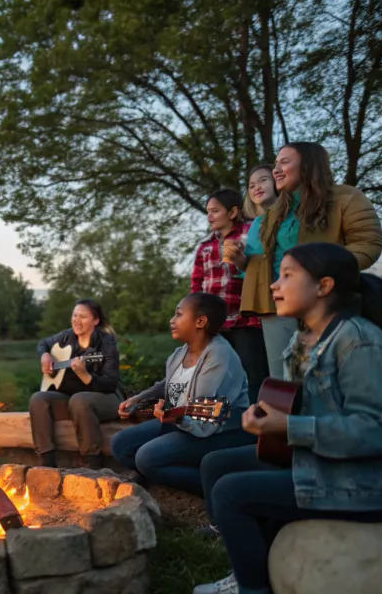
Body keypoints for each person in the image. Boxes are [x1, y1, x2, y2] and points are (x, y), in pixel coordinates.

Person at [194, 243, 382, 594]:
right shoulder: (305, 339)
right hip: (319, 457)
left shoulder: (359, 344)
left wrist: (287, 427)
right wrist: (270, 417)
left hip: (362, 482)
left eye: (287, 275)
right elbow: (302, 402)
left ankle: (252, 588)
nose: (274, 284)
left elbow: (378, 431)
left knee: (230, 493)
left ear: (324, 286)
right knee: (215, 464)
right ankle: (247, 562)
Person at [226, 142, 382, 379]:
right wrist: (240, 260)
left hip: (325, 302)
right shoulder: (273, 213)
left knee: (330, 376)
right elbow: (260, 263)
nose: (276, 169)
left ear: (309, 164)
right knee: (284, 381)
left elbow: (368, 243)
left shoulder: (346, 197)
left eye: (285, 162)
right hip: (277, 305)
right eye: (275, 164)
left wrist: (322, 275)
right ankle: (286, 418)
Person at [109, 293, 255, 496]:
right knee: (120, 444)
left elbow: (204, 418)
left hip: (219, 429)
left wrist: (173, 416)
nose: (171, 320)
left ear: (200, 321)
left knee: (146, 458)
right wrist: (138, 398)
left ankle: (217, 486)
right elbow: (167, 384)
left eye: (178, 314)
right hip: (181, 421)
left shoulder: (219, 356)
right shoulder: (180, 353)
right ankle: (163, 472)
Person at [191, 189, 267, 402]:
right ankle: (224, 422)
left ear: (233, 212)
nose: (210, 216)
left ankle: (255, 426)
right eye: (208, 212)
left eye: (215, 211)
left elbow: (260, 269)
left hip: (246, 319)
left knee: (253, 374)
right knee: (220, 375)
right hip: (217, 323)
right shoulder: (205, 245)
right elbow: (197, 284)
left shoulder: (251, 232)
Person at [29, 299, 121, 469]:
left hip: (106, 398)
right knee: (38, 399)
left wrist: (85, 375)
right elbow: (43, 343)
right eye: (74, 315)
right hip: (72, 401)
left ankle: (93, 464)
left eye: (83, 317)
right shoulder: (66, 336)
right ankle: (47, 463)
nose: (77, 320)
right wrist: (45, 355)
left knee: (80, 400)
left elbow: (109, 383)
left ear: (95, 320)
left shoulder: (106, 343)